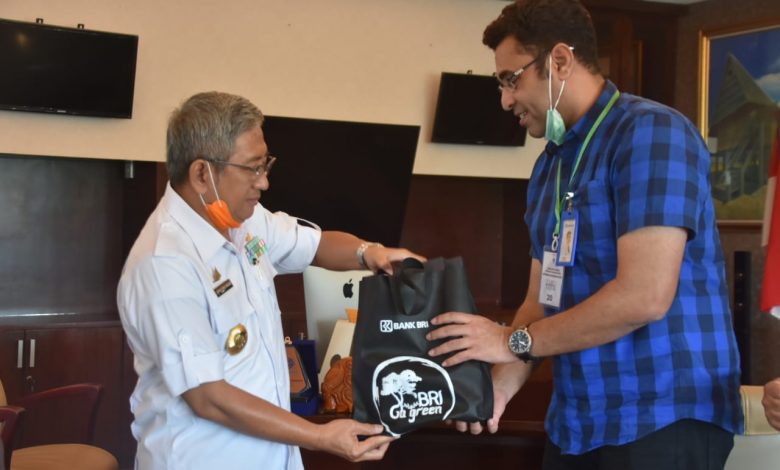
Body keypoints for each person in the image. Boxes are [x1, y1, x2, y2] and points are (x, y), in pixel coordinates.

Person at [426, 1, 743, 468]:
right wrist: (498, 390)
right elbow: (541, 301)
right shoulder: (550, 165)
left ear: (559, 60)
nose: (506, 100)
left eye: (511, 80)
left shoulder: (651, 132)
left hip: (661, 417)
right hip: (578, 422)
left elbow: (644, 297)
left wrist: (509, 341)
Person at [117, 91, 424, 469]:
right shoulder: (164, 264)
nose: (263, 183)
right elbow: (208, 398)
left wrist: (371, 253)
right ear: (201, 174)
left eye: (265, 165)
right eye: (252, 168)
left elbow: (315, 246)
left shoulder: (242, 220)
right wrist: (318, 436)